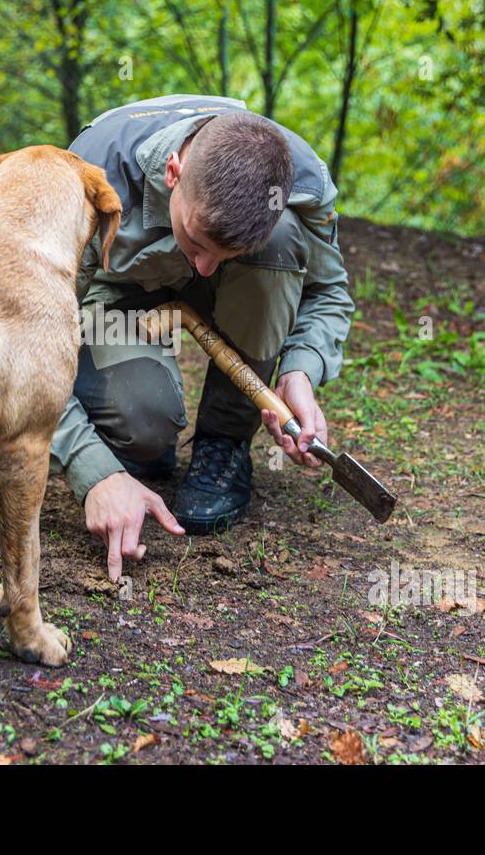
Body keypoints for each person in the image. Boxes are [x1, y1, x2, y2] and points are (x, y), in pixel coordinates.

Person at [50, 94, 355, 580]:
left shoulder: (301, 180)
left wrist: (301, 369)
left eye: (225, 253)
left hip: (239, 289)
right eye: (197, 242)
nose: (206, 266)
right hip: (124, 291)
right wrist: (94, 471)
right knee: (143, 425)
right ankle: (130, 442)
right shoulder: (91, 173)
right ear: (173, 173)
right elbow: (30, 338)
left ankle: (225, 441)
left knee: (280, 240)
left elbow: (328, 290)